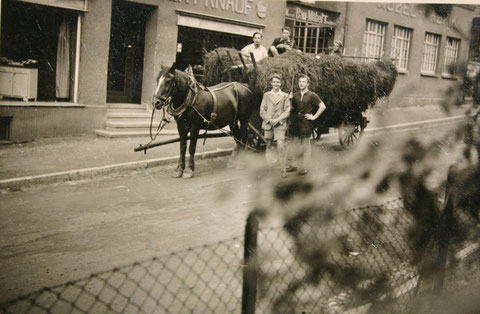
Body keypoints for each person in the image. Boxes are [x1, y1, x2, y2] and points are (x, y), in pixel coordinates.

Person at [287, 75, 326, 175]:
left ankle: (305, 167)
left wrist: (314, 117)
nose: (301, 83)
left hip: (305, 121)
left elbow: (322, 106)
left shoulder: (312, 95)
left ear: (308, 84)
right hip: (295, 121)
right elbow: (291, 109)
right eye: (300, 81)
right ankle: (294, 165)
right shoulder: (294, 95)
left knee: (305, 145)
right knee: (294, 144)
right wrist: (289, 100)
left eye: (303, 82)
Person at [260, 74, 291, 178]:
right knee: (268, 145)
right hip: (268, 124)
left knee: (280, 146)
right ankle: (269, 168)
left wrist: (277, 119)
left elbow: (287, 110)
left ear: (280, 83)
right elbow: (262, 110)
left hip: (280, 125)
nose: (276, 84)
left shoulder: (285, 96)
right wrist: (270, 120)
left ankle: (283, 169)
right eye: (274, 82)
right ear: (271, 83)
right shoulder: (266, 95)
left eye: (278, 82)